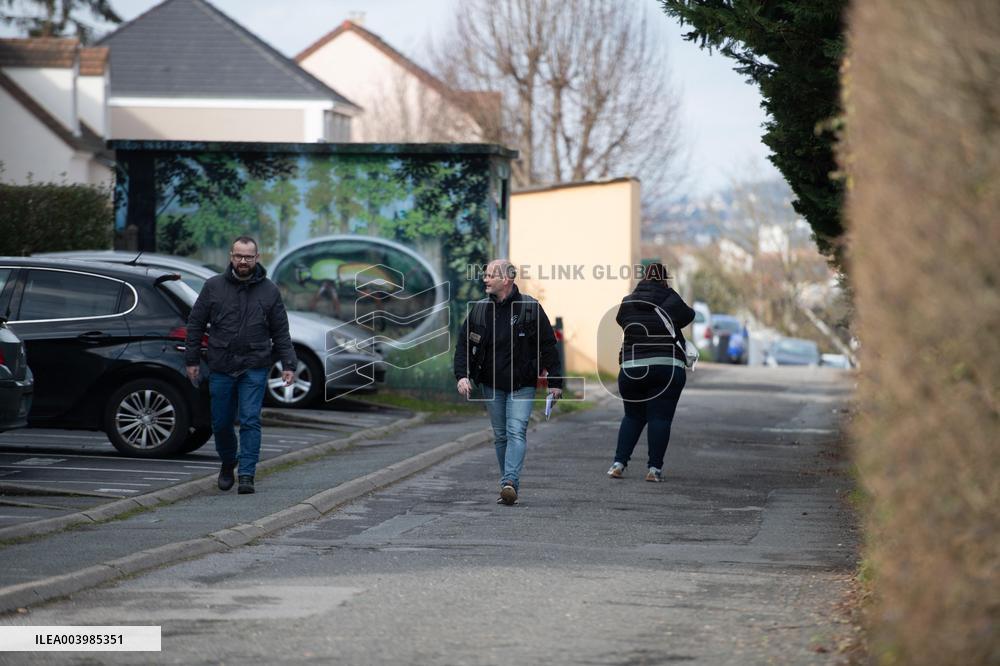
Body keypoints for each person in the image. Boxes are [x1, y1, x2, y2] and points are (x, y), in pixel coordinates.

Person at [185, 236, 296, 495]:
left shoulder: (270, 290)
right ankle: (227, 461)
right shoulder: (213, 286)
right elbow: (195, 324)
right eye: (238, 256)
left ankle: (247, 474)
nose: (243, 261)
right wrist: (192, 359)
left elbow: (281, 331)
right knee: (221, 422)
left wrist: (288, 364)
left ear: (257, 258)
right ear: (231, 257)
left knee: (249, 419)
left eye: (248, 256)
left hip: (255, 365)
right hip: (221, 365)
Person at [454, 259, 563, 505]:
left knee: (516, 431)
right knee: (501, 435)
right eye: (485, 274)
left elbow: (548, 346)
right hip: (491, 384)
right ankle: (508, 482)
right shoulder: (480, 309)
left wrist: (555, 382)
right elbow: (463, 344)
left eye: (491, 275)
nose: (485, 279)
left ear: (506, 279)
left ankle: (509, 481)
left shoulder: (530, 308)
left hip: (522, 384)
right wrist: (462, 375)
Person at [608, 263, 694, 482]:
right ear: (665, 280)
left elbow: (621, 321)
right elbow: (688, 316)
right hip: (666, 366)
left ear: (643, 279)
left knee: (632, 416)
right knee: (660, 418)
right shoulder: (671, 298)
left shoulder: (628, 302)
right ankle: (654, 469)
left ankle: (618, 463)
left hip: (631, 368)